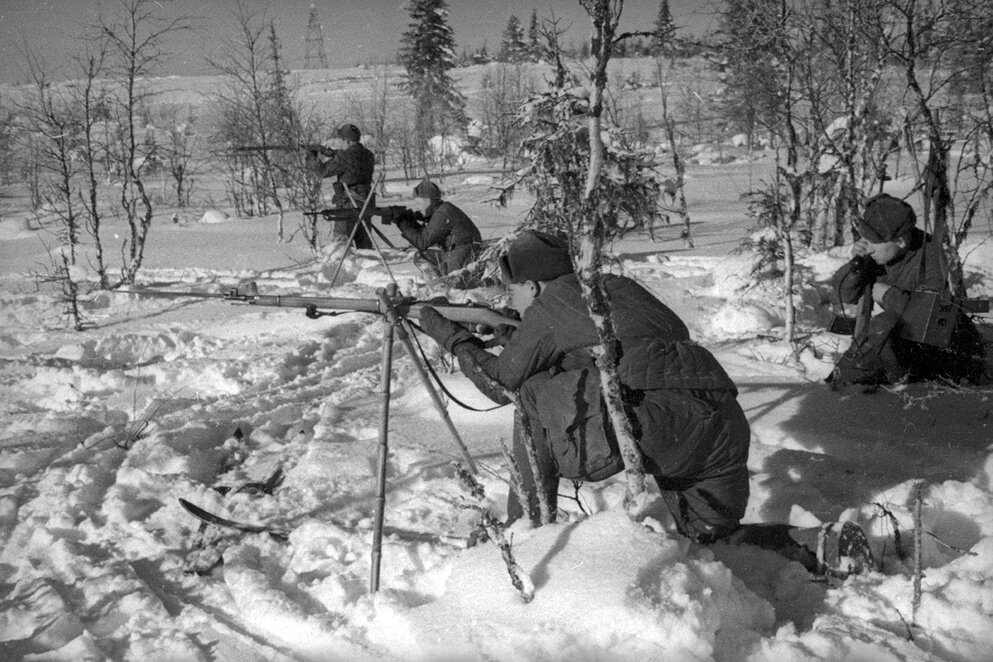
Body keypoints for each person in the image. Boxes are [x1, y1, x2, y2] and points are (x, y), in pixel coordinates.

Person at [418, 230, 875, 577]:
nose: (508, 299)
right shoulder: (615, 286)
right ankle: (816, 543)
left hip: (648, 421)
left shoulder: (547, 306)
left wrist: (446, 331)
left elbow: (501, 383)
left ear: (534, 286)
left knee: (531, 397)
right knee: (714, 537)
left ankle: (527, 534)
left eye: (512, 290)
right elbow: (622, 338)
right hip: (717, 415)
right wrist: (517, 336)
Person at [828, 193, 987, 389]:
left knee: (883, 326)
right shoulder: (878, 255)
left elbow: (933, 317)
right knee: (879, 336)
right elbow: (844, 297)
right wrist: (856, 269)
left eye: (873, 242)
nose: (867, 248)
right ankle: (850, 379)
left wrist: (887, 295)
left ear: (901, 242)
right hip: (907, 341)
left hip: (945, 349)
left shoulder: (930, 256)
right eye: (864, 239)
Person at [393, 179, 482, 276]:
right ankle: (440, 281)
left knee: (453, 282)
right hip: (458, 251)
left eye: (418, 203)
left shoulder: (442, 213)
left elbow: (422, 242)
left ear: (428, 201)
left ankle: (440, 286)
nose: (417, 208)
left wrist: (403, 223)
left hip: (462, 252)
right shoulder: (443, 209)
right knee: (421, 256)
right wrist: (410, 222)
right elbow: (428, 234)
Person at [313, 123, 376, 249]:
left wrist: (312, 156)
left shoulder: (344, 157)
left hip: (348, 205)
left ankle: (341, 268)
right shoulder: (368, 154)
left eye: (341, 141)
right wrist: (332, 153)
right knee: (364, 248)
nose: (340, 143)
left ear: (347, 141)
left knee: (340, 246)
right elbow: (354, 159)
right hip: (366, 204)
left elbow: (322, 172)